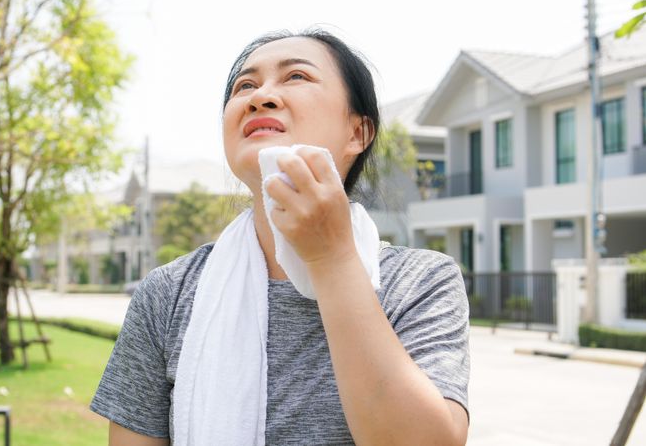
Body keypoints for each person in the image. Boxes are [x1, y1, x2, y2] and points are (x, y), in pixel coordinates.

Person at [90, 28, 470, 446]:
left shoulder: (420, 282)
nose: (260, 97)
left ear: (358, 133)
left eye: (296, 77)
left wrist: (333, 259)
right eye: (245, 86)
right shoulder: (168, 294)